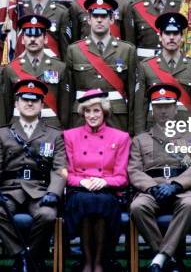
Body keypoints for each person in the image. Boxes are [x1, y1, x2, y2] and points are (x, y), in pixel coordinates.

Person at [0, 79, 66, 272]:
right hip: (10, 189)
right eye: (25, 99)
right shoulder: (3, 134)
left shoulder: (54, 135)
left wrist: (54, 193)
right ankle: (22, 256)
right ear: (16, 103)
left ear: (42, 104)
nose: (30, 104)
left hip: (39, 190)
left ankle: (30, 256)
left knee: (47, 215)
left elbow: (59, 168)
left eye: (35, 100)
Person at [128, 84, 191, 272]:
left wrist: (176, 185)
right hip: (153, 189)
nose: (163, 111)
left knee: (190, 205)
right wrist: (151, 187)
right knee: (137, 207)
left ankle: (160, 258)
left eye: (167, 106)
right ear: (152, 109)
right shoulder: (140, 139)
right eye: (158, 106)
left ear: (175, 108)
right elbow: (134, 170)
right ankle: (167, 258)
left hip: (183, 189)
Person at [63, 89, 131, 272]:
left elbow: (122, 177)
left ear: (105, 112)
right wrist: (81, 182)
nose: (92, 115)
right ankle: (87, 261)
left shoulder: (121, 137)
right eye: (87, 111)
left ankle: (99, 261)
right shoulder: (70, 136)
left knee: (100, 201)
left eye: (96, 111)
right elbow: (66, 173)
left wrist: (105, 182)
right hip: (80, 190)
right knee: (86, 201)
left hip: (107, 191)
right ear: (82, 113)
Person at [66, 0, 136, 133]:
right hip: (82, 116)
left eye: (104, 16)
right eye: (95, 16)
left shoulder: (127, 50)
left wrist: (133, 129)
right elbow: (68, 94)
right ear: (88, 19)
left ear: (111, 19)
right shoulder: (74, 50)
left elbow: (133, 94)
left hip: (116, 117)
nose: (99, 20)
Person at [0, 15, 71, 129]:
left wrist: (62, 131)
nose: (32, 39)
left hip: (50, 127)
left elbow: (65, 107)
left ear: (45, 38)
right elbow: (5, 106)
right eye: (29, 35)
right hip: (18, 127)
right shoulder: (10, 69)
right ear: (22, 39)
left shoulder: (59, 67)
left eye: (37, 35)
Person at [134, 12, 191, 134]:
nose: (171, 37)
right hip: (154, 130)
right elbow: (140, 108)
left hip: (185, 130)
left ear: (182, 37)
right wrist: (140, 137)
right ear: (160, 37)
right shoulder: (146, 66)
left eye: (176, 33)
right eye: (167, 33)